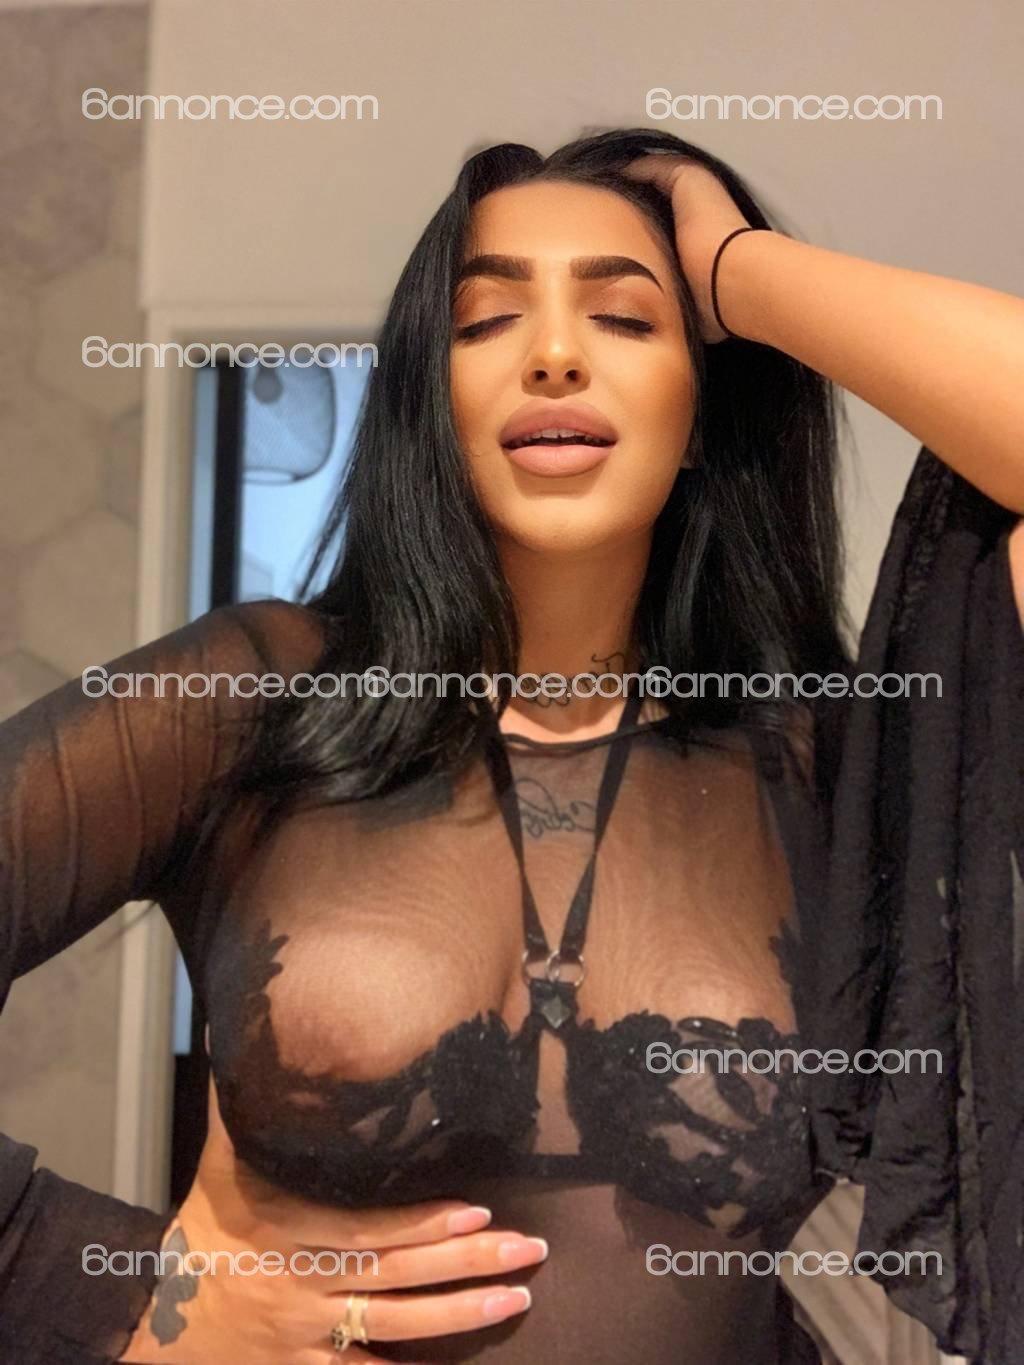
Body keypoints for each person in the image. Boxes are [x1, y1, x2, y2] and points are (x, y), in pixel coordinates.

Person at [1, 129, 1021, 1364]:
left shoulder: (824, 765)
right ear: (430, 407)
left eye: (625, 319)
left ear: (704, 414)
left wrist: (741, 271)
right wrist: (113, 1292)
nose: (552, 355)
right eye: (486, 321)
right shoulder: (254, 697)